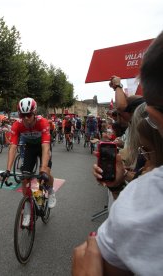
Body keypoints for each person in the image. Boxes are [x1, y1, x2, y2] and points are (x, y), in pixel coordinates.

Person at [73, 30, 163, 275]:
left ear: (152, 117)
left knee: (45, 166)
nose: (116, 117)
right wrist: (117, 186)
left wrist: (118, 84)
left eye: (147, 150)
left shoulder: (143, 198)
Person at [0, 97, 55, 227]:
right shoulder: (17, 125)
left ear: (34, 113)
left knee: (45, 173)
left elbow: (45, 147)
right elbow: (13, 147)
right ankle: (28, 211)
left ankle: (51, 191)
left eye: (29, 114)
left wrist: (42, 170)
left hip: (42, 146)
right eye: (22, 115)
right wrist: (7, 170)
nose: (26, 118)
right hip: (30, 147)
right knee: (25, 178)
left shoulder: (43, 122)